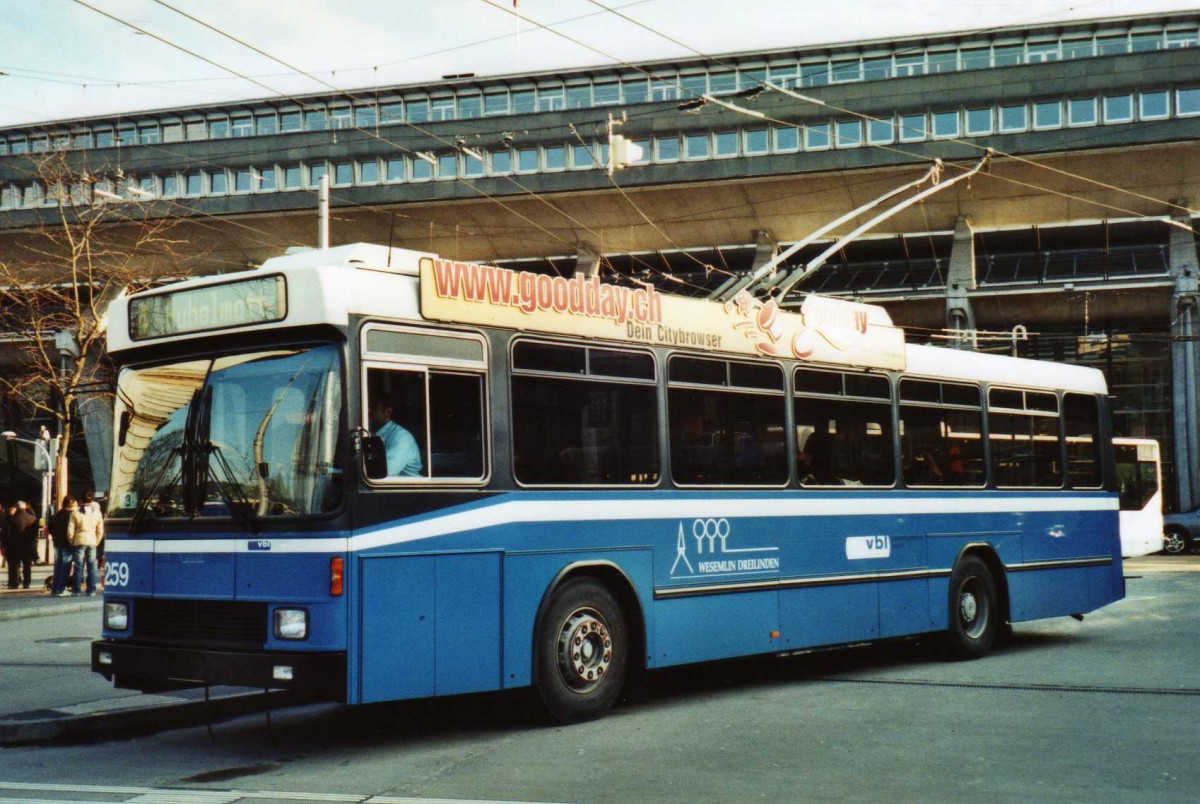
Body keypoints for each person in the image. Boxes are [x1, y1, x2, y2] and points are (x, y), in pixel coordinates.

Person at [367, 391, 422, 477]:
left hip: (406, 489)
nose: (368, 411)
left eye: (373, 407)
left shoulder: (401, 437)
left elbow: (386, 471)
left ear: (388, 412)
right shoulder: (369, 434)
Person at [68, 496, 104, 596]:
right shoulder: (97, 513)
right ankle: (91, 590)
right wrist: (97, 540)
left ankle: (76, 590)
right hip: (92, 540)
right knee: (91, 566)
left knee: (78, 566)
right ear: (92, 500)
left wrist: (72, 540)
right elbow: (100, 529)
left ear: (81, 501)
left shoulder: (75, 513)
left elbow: (70, 529)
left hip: (79, 540)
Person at [5, 501, 38, 589]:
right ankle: (26, 582)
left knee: (14, 565)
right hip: (28, 545)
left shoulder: (11, 519)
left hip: (13, 545)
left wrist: (4, 545)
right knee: (27, 565)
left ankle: (14, 582)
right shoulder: (32, 519)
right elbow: (35, 535)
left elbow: (6, 533)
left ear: (16, 508)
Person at [48, 495, 77, 596]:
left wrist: (55, 537)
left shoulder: (56, 515)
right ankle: (61, 588)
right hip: (67, 544)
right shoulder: (72, 515)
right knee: (66, 566)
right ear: (72, 504)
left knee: (58, 566)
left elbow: (50, 528)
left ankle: (54, 589)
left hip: (57, 543)